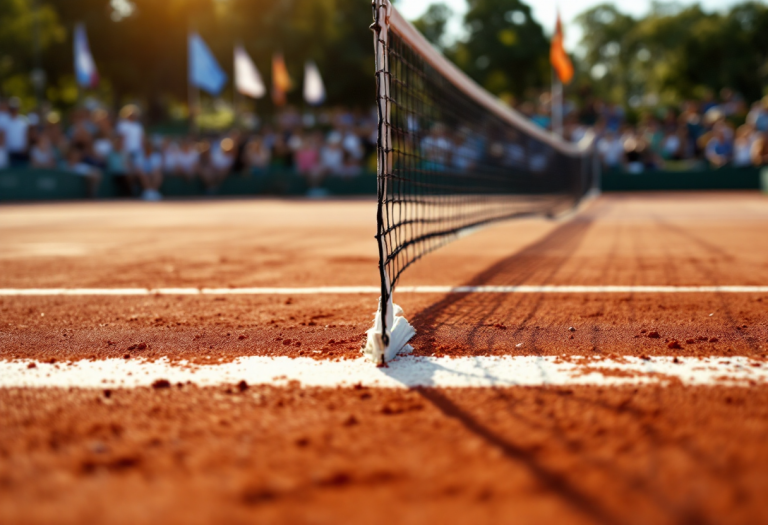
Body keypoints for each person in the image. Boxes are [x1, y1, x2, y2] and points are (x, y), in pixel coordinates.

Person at [4, 98, 29, 165]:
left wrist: (26, 148)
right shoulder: (4, 120)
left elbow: (26, 136)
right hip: (9, 152)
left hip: (21, 152)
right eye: (12, 108)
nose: (14, 110)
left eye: (15, 108)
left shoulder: (24, 120)